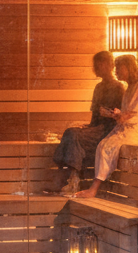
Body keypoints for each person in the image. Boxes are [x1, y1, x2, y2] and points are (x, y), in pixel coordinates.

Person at [45, 50, 124, 195]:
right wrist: (87, 127)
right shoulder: (98, 87)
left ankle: (68, 180)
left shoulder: (118, 87)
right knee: (72, 131)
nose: (96, 68)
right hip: (96, 128)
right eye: (96, 65)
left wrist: (107, 115)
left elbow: (119, 115)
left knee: (73, 135)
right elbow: (95, 115)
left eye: (99, 64)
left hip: (108, 130)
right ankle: (69, 178)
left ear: (108, 65)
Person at [75, 54, 138, 199]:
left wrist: (117, 116)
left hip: (136, 130)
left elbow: (135, 115)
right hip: (125, 127)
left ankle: (93, 189)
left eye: (119, 68)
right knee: (102, 145)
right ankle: (96, 188)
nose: (116, 71)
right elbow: (125, 113)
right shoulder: (129, 87)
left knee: (106, 147)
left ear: (129, 68)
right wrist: (114, 114)